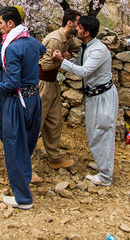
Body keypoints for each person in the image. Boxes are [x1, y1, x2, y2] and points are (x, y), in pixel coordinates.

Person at [0, 6, 46, 209]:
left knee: (14, 147)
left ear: (10, 24)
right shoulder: (31, 42)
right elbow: (43, 50)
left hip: (17, 100)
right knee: (26, 144)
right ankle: (24, 183)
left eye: (1, 23)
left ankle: (22, 198)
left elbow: (13, 82)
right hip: (34, 100)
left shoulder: (12, 48)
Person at [52, 16, 118, 186]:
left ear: (87, 32)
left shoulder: (98, 50)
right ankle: (103, 164)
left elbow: (84, 71)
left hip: (102, 97)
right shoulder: (87, 46)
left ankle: (105, 176)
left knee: (102, 132)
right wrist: (67, 59)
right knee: (94, 131)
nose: (76, 30)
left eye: (79, 28)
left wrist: (62, 61)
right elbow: (78, 64)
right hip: (93, 95)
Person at [38, 9, 81, 170]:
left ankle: (54, 158)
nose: (78, 28)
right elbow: (46, 65)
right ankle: (23, 162)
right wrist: (62, 61)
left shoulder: (67, 38)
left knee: (55, 122)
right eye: (78, 24)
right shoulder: (55, 39)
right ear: (69, 23)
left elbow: (79, 46)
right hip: (42, 83)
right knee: (36, 122)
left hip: (52, 84)